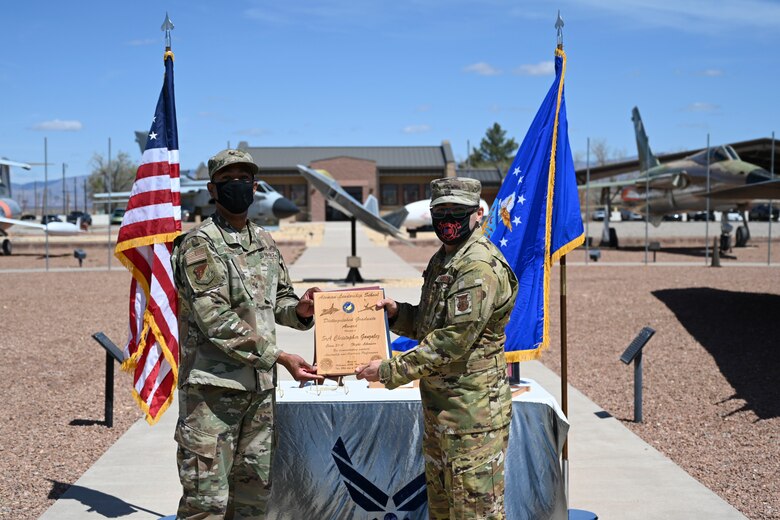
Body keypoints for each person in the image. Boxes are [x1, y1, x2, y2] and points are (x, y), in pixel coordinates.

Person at [171, 148, 323, 519]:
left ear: (254, 187)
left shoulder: (265, 243)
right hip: (212, 395)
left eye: (244, 180)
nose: (238, 187)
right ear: (212, 189)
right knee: (205, 505)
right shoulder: (199, 244)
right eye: (228, 181)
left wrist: (301, 310)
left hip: (259, 395)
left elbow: (280, 299)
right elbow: (215, 320)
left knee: (252, 502)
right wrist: (280, 357)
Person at [356, 177, 518, 520]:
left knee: (474, 513)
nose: (448, 219)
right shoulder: (446, 258)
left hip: (472, 419)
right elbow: (432, 324)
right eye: (440, 211)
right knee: (444, 511)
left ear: (477, 214)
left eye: (457, 211)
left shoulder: (477, 266)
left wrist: (389, 370)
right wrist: (398, 314)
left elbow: (451, 342)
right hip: (443, 415)